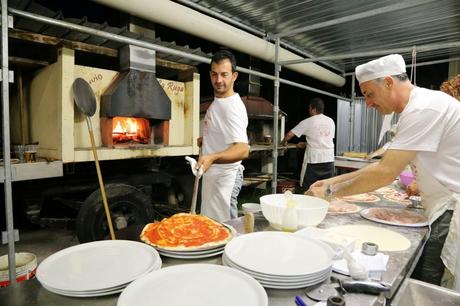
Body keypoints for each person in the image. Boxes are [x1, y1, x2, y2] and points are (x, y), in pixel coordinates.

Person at [307, 54, 460, 290]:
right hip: (441, 206)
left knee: (426, 285)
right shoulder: (418, 107)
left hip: (450, 209)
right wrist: (331, 180)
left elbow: (384, 173)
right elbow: (382, 165)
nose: (367, 103)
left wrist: (330, 194)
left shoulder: (424, 109)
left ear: (389, 82)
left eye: (369, 94)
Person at [196, 50, 249, 222]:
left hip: (225, 179)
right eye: (214, 74)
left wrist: (212, 156)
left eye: (224, 75)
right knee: (211, 224)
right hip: (214, 176)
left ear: (234, 76)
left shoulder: (232, 107)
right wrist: (208, 140)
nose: (218, 80)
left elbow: (242, 150)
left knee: (226, 227)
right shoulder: (219, 102)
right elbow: (225, 134)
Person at [281, 98, 335, 191]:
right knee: (325, 190)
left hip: (313, 161)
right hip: (329, 161)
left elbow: (289, 135)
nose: (308, 110)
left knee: (309, 189)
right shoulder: (331, 121)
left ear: (313, 109)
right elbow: (324, 140)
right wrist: (306, 143)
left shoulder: (309, 121)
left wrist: (283, 143)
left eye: (309, 108)